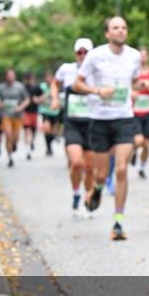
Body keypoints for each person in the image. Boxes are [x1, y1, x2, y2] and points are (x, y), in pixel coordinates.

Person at [74, 17, 142, 241]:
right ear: (107, 34)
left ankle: (118, 223)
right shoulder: (95, 55)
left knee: (121, 169)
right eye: (116, 28)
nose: (121, 31)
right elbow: (78, 84)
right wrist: (97, 91)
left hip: (124, 118)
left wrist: (140, 87)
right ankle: (97, 188)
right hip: (99, 119)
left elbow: (133, 83)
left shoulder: (134, 56)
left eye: (124, 27)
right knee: (102, 174)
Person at [56, 39, 96, 218]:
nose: (82, 55)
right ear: (75, 54)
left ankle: (88, 198)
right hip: (72, 122)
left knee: (89, 167)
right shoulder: (66, 69)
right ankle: (76, 193)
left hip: (91, 123)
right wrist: (55, 98)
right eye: (79, 52)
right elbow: (54, 84)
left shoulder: (97, 72)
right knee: (77, 162)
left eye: (86, 52)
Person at [131, 46, 149, 180]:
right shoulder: (132, 73)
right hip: (135, 112)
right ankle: (133, 150)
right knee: (138, 140)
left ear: (148, 57)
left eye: (144, 55)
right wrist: (133, 94)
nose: (142, 58)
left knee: (146, 144)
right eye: (140, 56)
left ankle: (142, 167)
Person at [0, 69, 31, 167]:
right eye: (9, 75)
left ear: (14, 76)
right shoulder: (1, 88)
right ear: (6, 76)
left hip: (17, 116)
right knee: (8, 134)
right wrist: (0, 103)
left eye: (12, 75)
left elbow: (27, 99)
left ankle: (14, 144)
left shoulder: (20, 87)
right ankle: (10, 157)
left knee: (15, 137)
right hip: (6, 115)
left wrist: (20, 108)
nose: (10, 77)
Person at [38, 69, 62, 156]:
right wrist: (47, 94)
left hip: (55, 112)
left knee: (53, 132)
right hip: (45, 111)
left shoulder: (56, 86)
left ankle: (51, 144)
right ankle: (48, 148)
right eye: (47, 77)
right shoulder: (42, 87)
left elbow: (60, 97)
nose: (48, 79)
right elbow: (39, 99)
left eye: (50, 77)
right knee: (47, 129)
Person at [22, 72, 43, 160]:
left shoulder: (36, 87)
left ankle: (31, 143)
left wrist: (38, 100)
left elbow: (42, 97)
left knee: (33, 132)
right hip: (25, 112)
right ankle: (28, 150)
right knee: (27, 131)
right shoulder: (22, 88)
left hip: (34, 112)